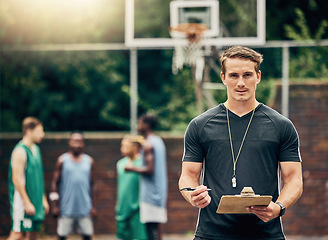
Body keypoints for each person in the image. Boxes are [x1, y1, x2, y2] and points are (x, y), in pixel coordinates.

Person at [179, 46, 303, 239]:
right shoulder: (200, 125)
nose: (241, 83)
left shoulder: (281, 126)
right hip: (212, 233)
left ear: (258, 76)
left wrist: (279, 207)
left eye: (247, 75)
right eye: (234, 75)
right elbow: (188, 176)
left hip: (265, 233)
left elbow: (294, 180)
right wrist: (193, 194)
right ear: (223, 78)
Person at [125, 114, 168, 240]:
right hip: (160, 192)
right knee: (156, 229)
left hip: (151, 195)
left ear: (146, 125)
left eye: (140, 123)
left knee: (150, 230)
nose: (138, 126)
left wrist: (131, 168)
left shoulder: (147, 144)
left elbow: (150, 169)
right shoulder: (159, 141)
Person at [7, 117, 49, 240]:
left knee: (34, 234)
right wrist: (26, 202)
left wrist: (43, 198)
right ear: (29, 131)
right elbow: (16, 179)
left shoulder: (36, 149)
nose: (43, 134)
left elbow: (39, 178)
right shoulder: (20, 151)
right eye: (40, 131)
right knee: (17, 234)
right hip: (22, 202)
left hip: (36, 201)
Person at [50, 131, 97, 240]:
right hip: (66, 208)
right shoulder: (62, 161)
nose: (77, 144)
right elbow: (54, 184)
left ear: (83, 144)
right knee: (61, 236)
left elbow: (93, 185)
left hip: (85, 208)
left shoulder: (89, 161)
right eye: (74, 141)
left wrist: (93, 207)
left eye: (80, 142)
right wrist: (55, 205)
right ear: (69, 142)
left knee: (87, 236)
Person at [116, 135, 148, 240]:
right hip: (122, 209)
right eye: (121, 146)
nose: (122, 149)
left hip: (137, 209)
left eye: (125, 146)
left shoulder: (143, 164)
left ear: (135, 148)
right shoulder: (120, 164)